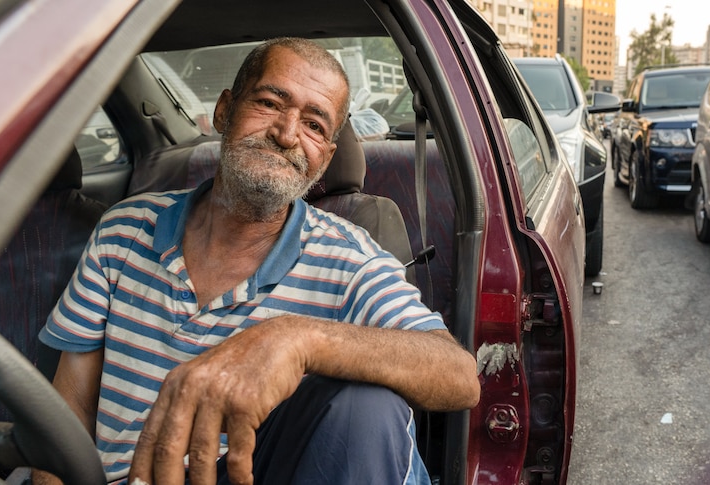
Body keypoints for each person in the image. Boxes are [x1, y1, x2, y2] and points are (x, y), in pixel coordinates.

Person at [33, 37, 480, 485]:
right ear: (225, 110)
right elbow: (68, 407)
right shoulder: (124, 230)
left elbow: (458, 375)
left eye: (314, 126)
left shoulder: (349, 261)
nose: (286, 134)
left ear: (324, 158)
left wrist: (297, 340)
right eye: (269, 102)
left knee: (366, 406)